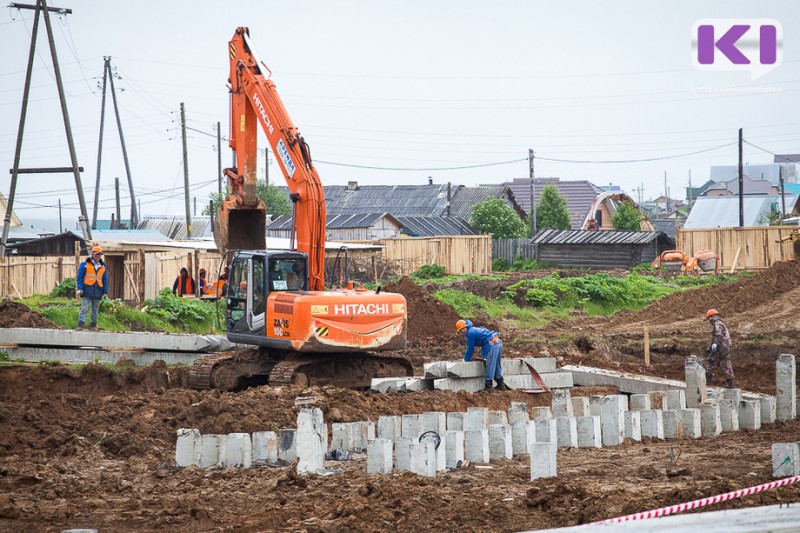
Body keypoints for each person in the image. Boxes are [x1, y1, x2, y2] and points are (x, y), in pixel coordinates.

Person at [456, 319, 507, 390]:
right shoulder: (474, 329)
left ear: (466, 327)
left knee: (490, 364)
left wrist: (465, 359)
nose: (462, 331)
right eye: (461, 330)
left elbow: (470, 348)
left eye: (462, 329)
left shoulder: (470, 333)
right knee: (496, 364)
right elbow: (483, 342)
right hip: (497, 342)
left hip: (492, 343)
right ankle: (500, 384)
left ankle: (488, 386)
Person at [76, 245, 108, 330]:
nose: (98, 256)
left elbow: (105, 279)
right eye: (96, 254)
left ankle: (93, 325)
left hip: (98, 290)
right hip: (86, 290)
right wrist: (80, 288)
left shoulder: (103, 266)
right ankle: (80, 325)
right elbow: (80, 277)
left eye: (99, 254)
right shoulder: (85, 264)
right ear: (92, 254)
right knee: (84, 308)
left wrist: (105, 291)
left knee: (95, 310)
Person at [705, 309, 734, 388]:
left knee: (710, 361)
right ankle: (729, 382)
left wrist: (715, 344)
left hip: (722, 347)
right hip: (726, 347)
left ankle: (708, 381)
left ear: (712, 317)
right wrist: (711, 347)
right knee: (725, 363)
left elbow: (719, 336)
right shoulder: (721, 324)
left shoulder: (718, 324)